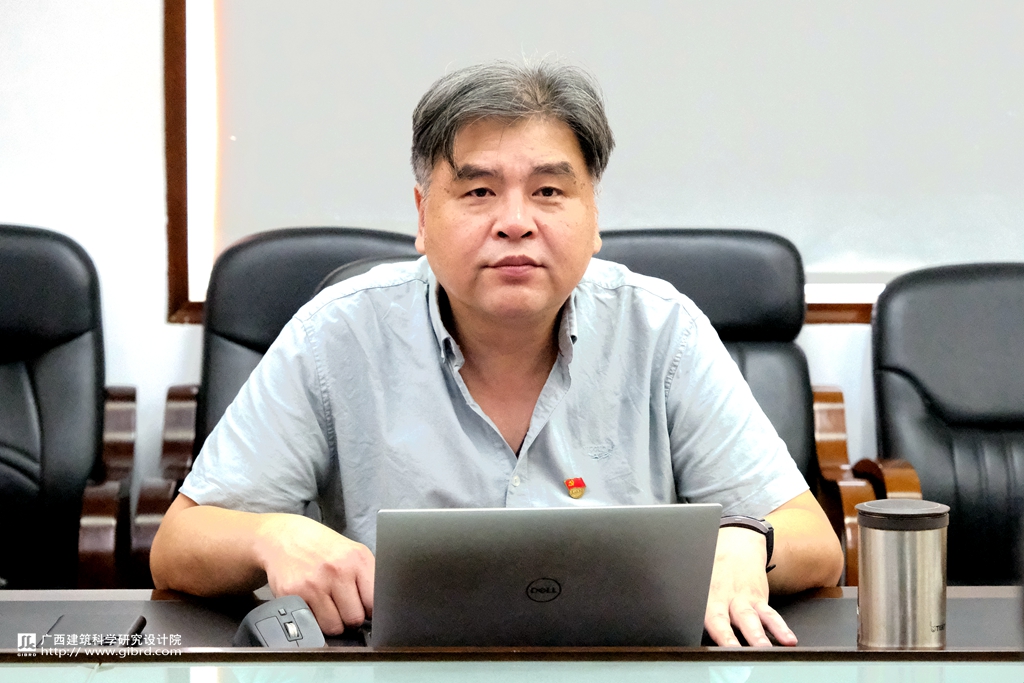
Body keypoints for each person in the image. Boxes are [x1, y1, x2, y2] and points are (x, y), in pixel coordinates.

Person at [151, 60, 843, 648]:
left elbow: (814, 541)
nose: (516, 222)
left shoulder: (663, 331)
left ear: (594, 216)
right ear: (422, 216)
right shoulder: (336, 334)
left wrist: (750, 541)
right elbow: (178, 546)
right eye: (479, 191)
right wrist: (270, 536)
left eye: (549, 191)